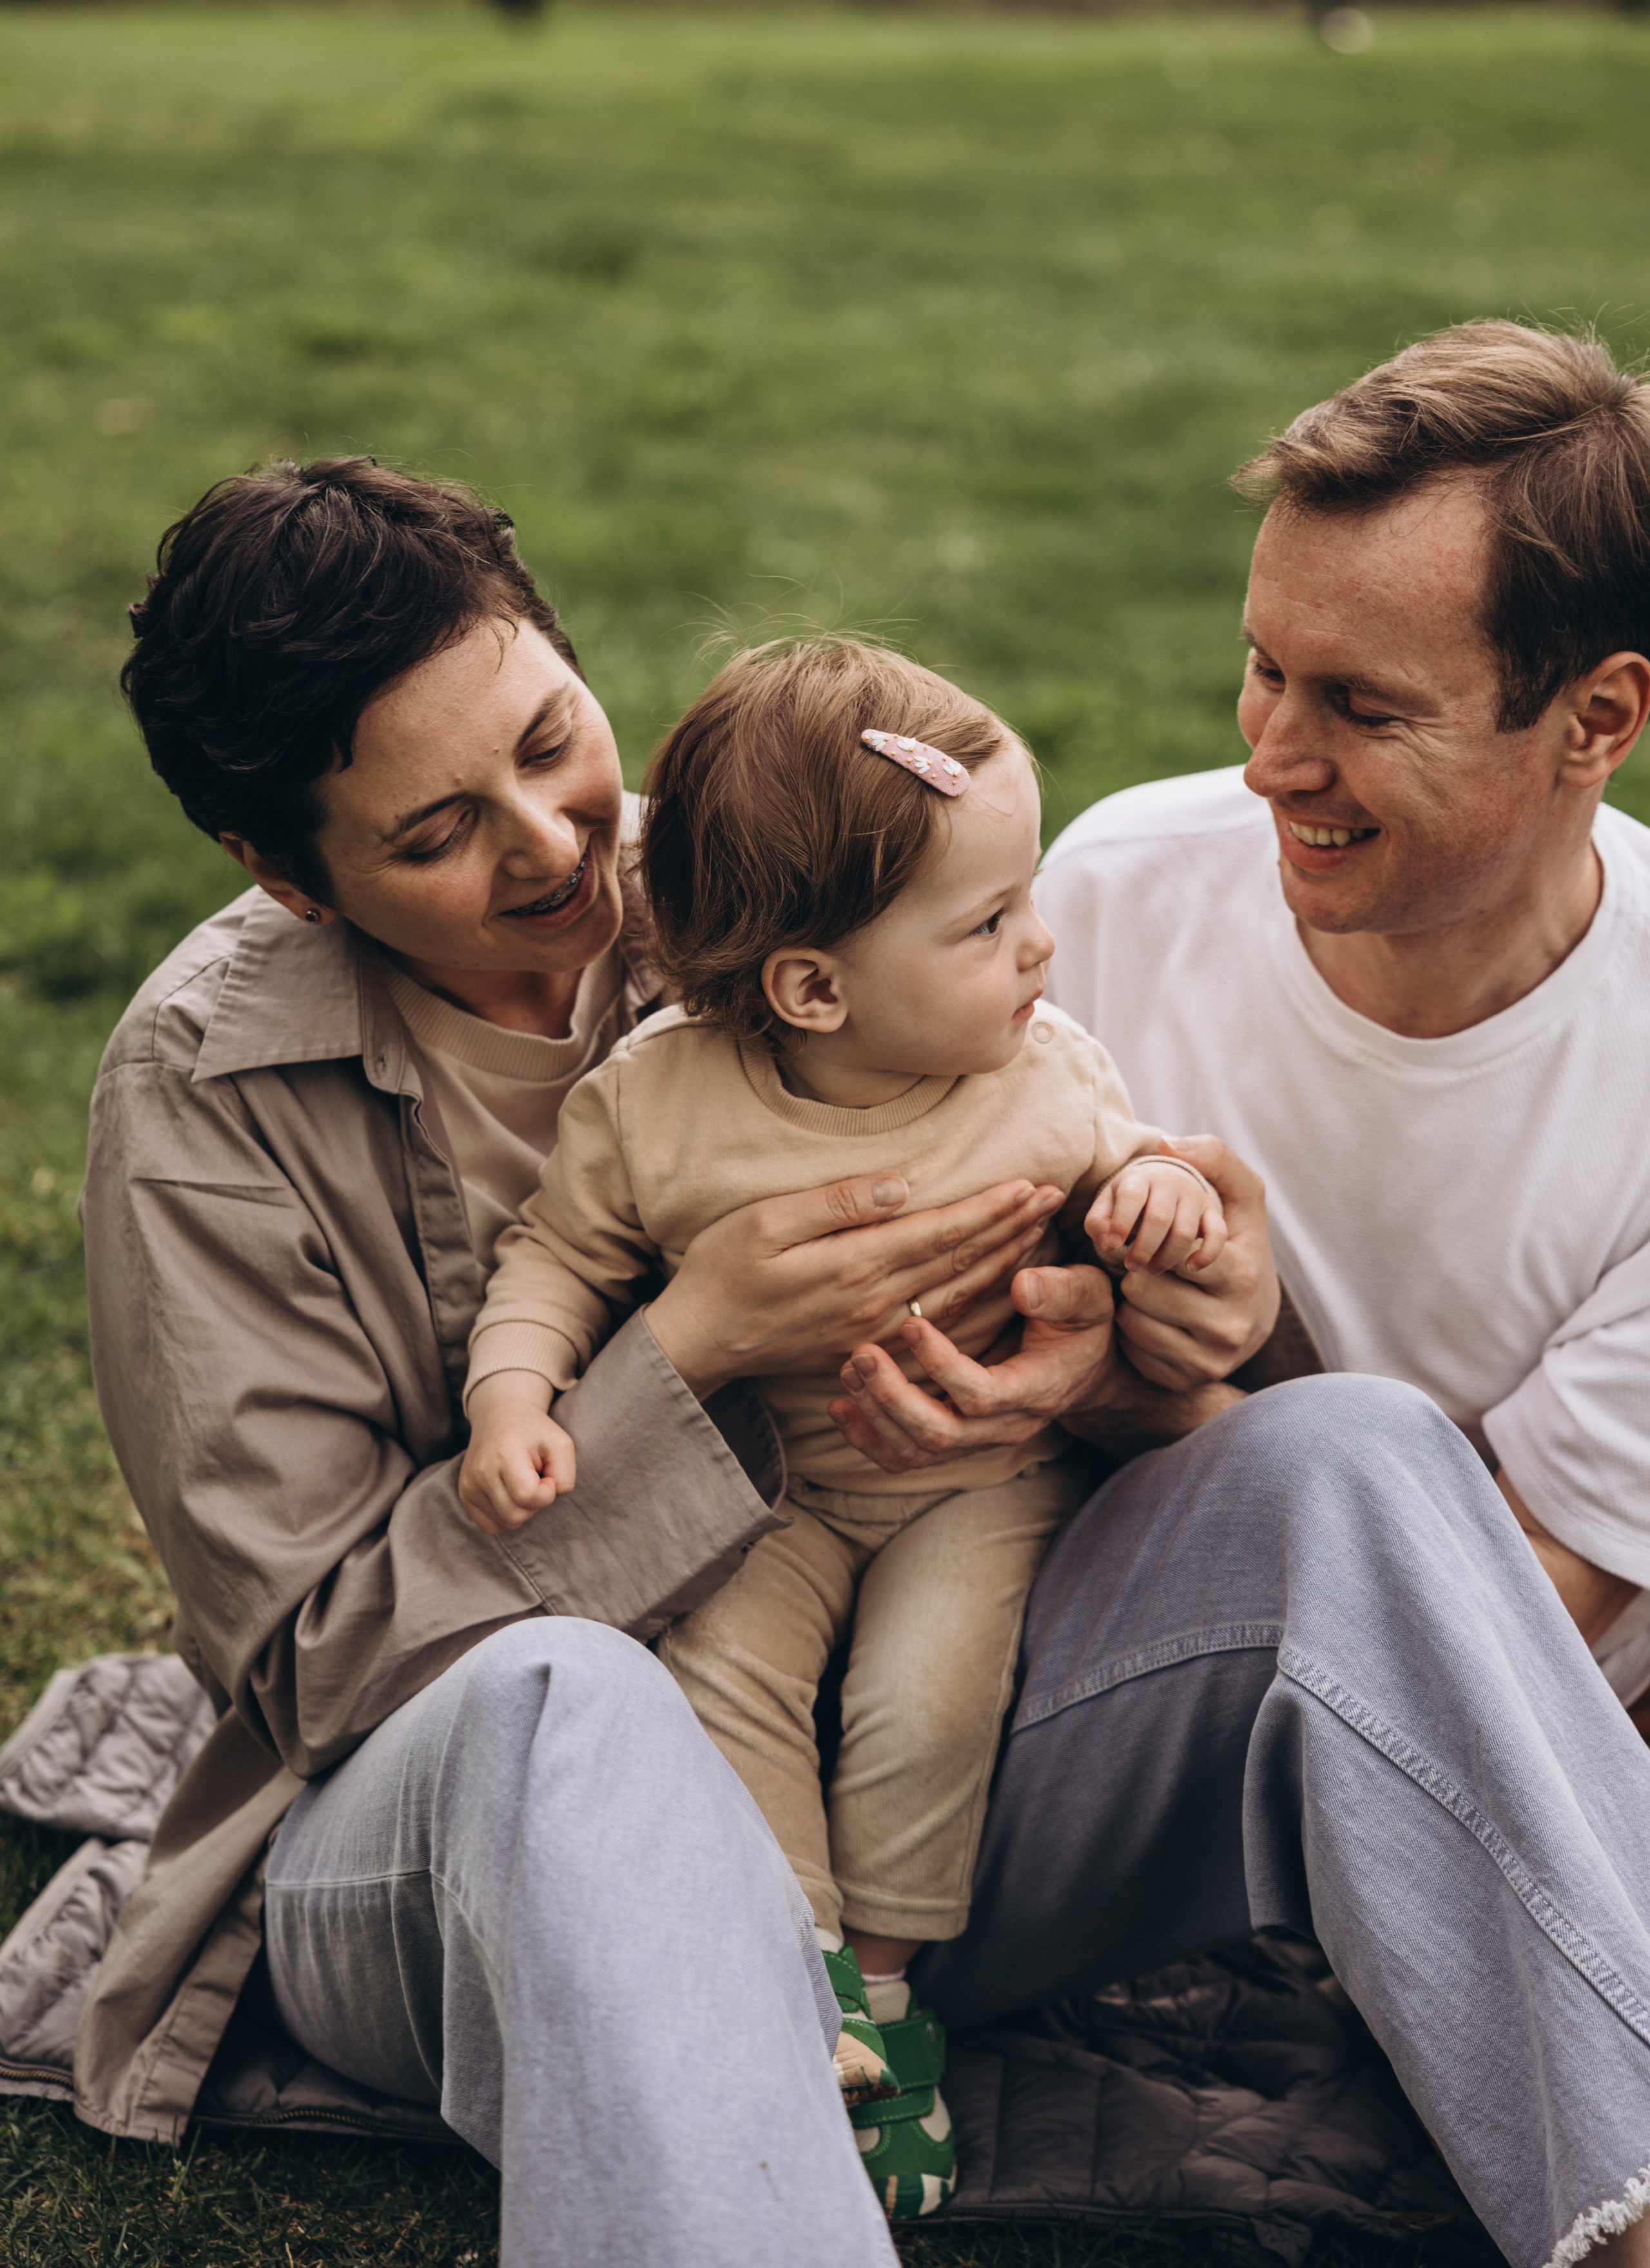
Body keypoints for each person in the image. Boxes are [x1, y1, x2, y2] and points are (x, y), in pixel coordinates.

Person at [77, 456, 1274, 2268]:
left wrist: (1123, 1355)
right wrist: (694, 1349)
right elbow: (321, 1678)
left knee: (1347, 1460)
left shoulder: (780, 883)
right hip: (448, 1855)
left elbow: (1090, 1207)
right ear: (289, 877)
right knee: (578, 1698)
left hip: (910, 1767)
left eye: (552, 742)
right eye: (434, 835)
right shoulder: (200, 1100)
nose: (559, 846)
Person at [893, 322, 1650, 2268]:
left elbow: (1505, 1627)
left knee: (1369, 1465)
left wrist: (1187, 1392)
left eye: (1364, 708)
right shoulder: (1127, 892)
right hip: (1084, 1713)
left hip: (1530, 1773)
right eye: (1263, 664)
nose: (1268, 756)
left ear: (1598, 719)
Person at [456, 637, 1223, 2219]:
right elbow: (554, 1259)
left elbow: (1141, 1171)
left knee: (921, 1701)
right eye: (987, 923)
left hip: (972, 1479)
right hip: (771, 1482)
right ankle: (793, 1983)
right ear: (812, 988)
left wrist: (1156, 1199)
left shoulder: (1045, 1078)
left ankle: (886, 1996)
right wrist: (513, 1396)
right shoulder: (656, 1106)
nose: (1039, 945)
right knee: (722, 1681)